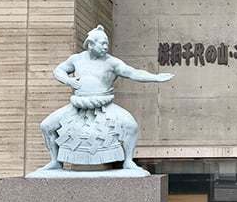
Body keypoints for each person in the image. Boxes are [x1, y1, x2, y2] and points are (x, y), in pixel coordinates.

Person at [40, 25, 174, 173]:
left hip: (105, 106)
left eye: (107, 44)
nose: (105, 47)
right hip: (78, 105)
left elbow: (132, 73)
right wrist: (68, 81)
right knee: (46, 126)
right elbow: (58, 70)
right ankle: (55, 161)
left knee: (131, 126)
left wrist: (155, 78)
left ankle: (128, 161)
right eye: (102, 43)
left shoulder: (112, 62)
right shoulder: (76, 59)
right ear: (90, 44)